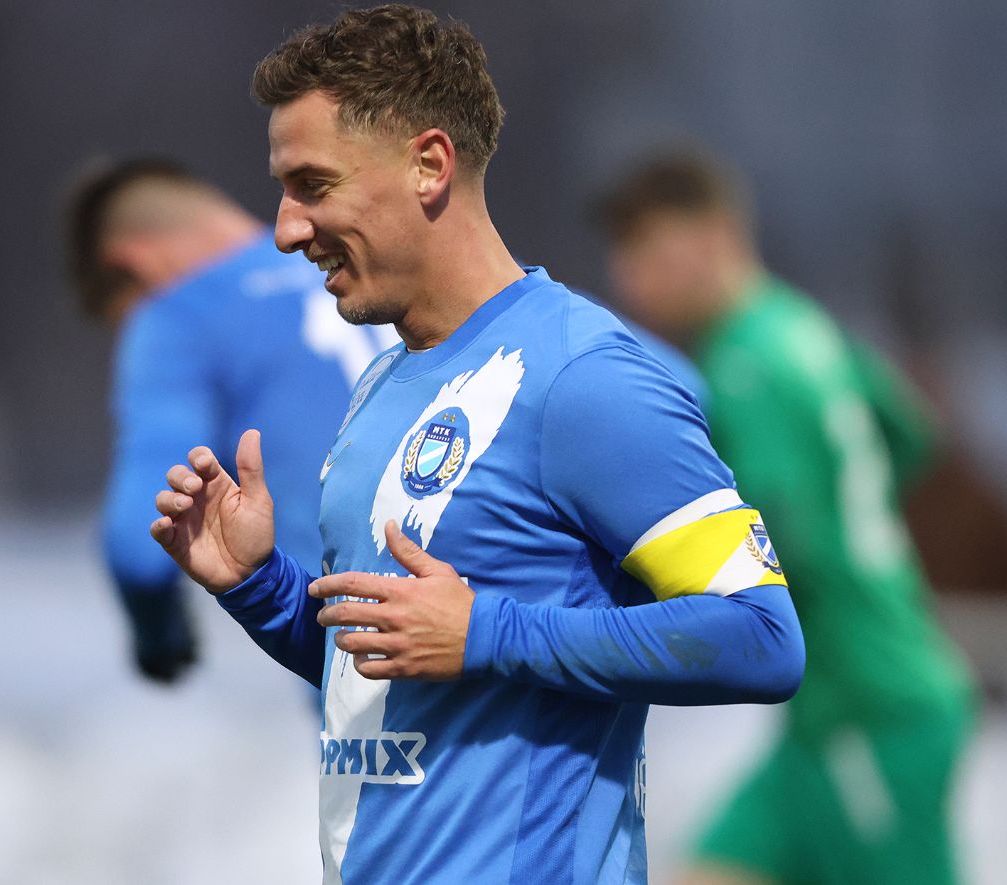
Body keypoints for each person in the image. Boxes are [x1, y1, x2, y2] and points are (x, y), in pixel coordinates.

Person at [149, 7, 804, 883]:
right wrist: (259, 588)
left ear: (430, 165)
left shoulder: (582, 377)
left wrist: (489, 631)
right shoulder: (384, 382)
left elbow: (762, 635)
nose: (286, 228)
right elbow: (388, 673)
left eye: (313, 185)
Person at [595, 150, 977, 885]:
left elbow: (778, 535)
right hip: (826, 719)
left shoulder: (745, 367)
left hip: (871, 709)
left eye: (644, 248)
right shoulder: (802, 327)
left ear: (712, 235)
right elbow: (910, 433)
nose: (627, 277)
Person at [65, 157, 393, 683]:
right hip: (494, 634)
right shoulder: (387, 267)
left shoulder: (177, 316)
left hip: (376, 672)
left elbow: (139, 547)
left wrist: (159, 639)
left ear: (131, 264)